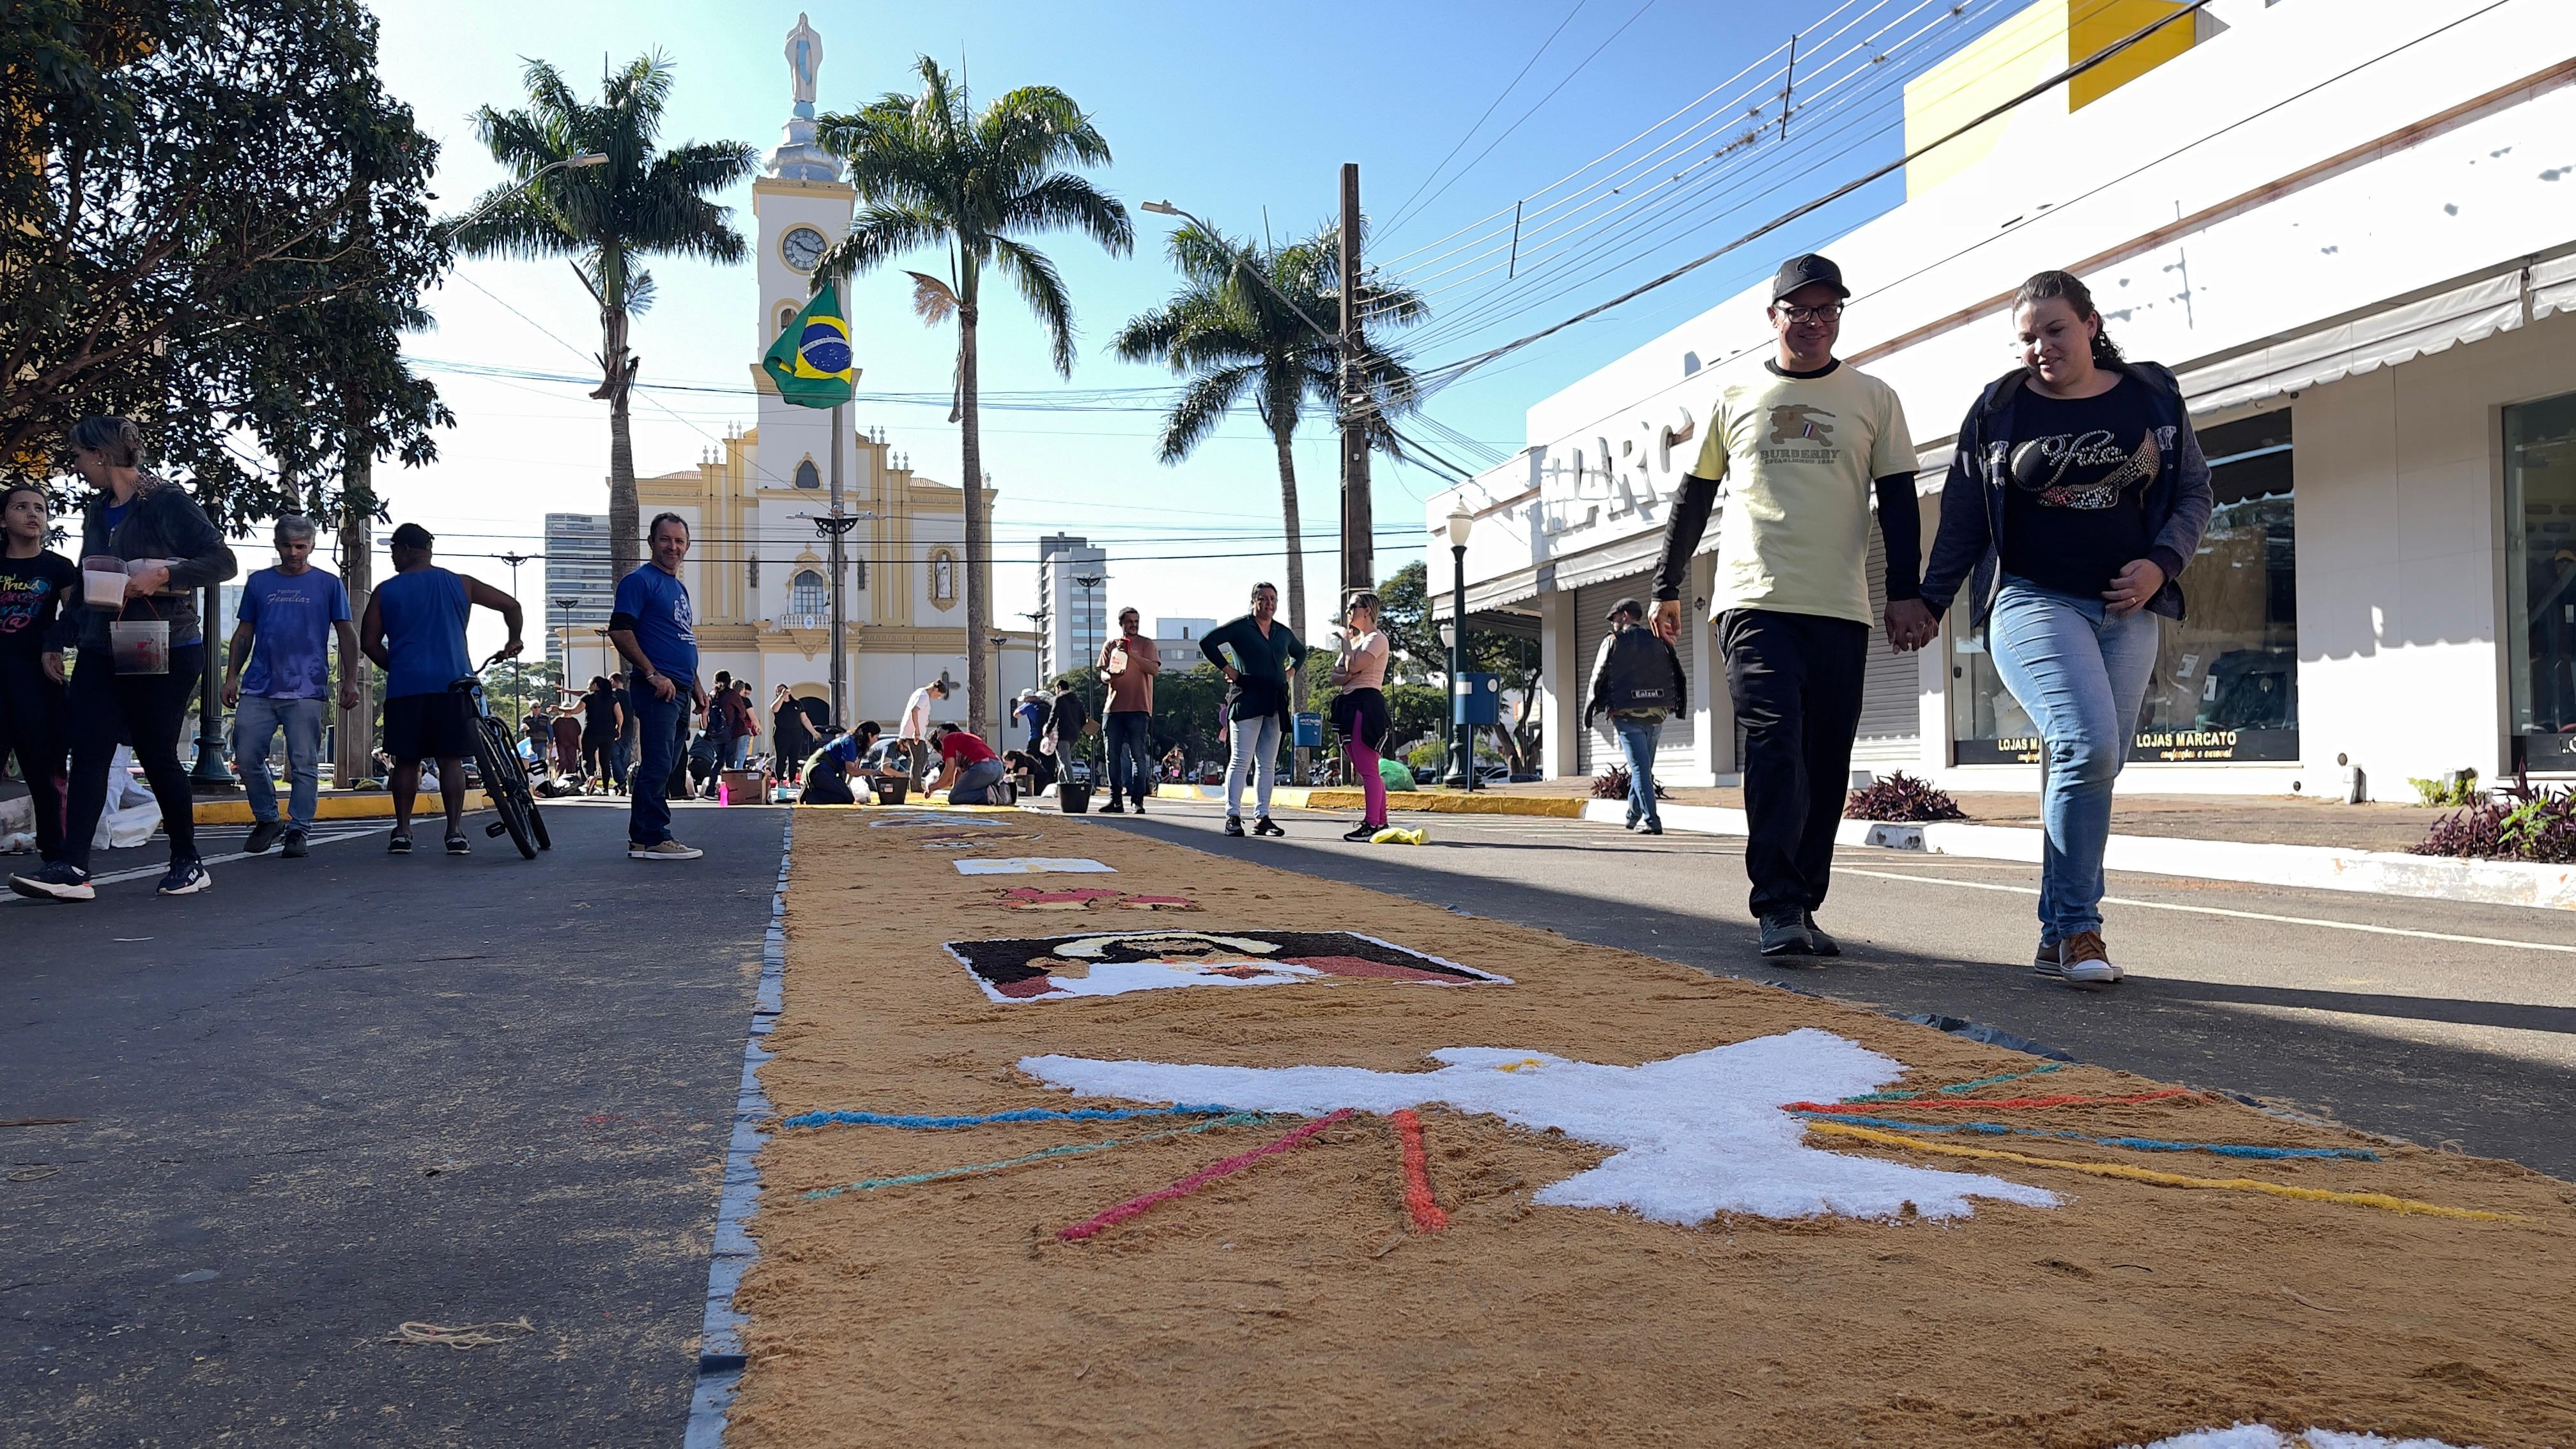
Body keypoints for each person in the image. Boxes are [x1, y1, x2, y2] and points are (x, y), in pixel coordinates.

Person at [1902, 268, 2212, 988]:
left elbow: (2194, 490)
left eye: (2055, 329)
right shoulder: (2000, 412)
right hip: (2032, 601)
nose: (2041, 347)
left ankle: (2053, 929)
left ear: (2091, 324)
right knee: (2086, 743)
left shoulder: (2151, 396)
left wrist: (2162, 565)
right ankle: (2080, 930)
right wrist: (1930, 601)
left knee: (2094, 762)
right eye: (2027, 338)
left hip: (2125, 611)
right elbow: (1964, 520)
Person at [1653, 254, 1924, 960]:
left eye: (1827, 309)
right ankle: (1775, 904)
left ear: (1840, 315)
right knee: (1776, 745)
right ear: (1773, 318)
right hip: (1753, 598)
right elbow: (1695, 498)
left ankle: (1803, 900)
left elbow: (1898, 500)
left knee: (1826, 760)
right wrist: (1665, 584)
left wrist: (1905, 592)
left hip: (1840, 606)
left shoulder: (1874, 397)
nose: (1813, 322)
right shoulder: (1735, 394)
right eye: (1798, 311)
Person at [11, 417, 237, 903]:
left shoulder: (167, 502)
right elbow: (90, 581)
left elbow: (223, 561)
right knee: (89, 750)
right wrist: (57, 638)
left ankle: (187, 860)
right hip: (101, 643)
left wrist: (162, 575)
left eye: (77, 456)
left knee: (156, 754)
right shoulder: (98, 512)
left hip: (164, 642)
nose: (74, 467)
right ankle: (73, 868)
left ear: (101, 455)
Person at [362, 522, 522, 857]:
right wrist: (513, 640)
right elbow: (512, 606)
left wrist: (400, 666)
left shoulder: (386, 591)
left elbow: (370, 643)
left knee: (406, 762)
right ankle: (455, 832)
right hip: (453, 685)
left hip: (406, 689)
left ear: (405, 550)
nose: (392, 557)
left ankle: (403, 832)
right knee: (450, 761)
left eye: (393, 551)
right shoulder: (461, 584)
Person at [222, 515, 360, 858]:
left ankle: (299, 829)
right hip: (259, 687)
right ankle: (268, 818)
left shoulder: (329, 585)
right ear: (277, 544)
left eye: (301, 546)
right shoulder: (259, 583)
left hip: (307, 688)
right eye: (287, 546)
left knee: (304, 763)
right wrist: (231, 676)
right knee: (246, 755)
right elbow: (244, 632)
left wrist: (351, 680)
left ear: (312, 545)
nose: (294, 552)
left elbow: (346, 632)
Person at [608, 512, 708, 861]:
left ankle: (644, 837)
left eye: (680, 541)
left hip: (680, 691)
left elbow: (682, 638)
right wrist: (651, 673)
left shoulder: (678, 587)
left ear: (687, 546)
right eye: (666, 540)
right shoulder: (640, 581)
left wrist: (696, 686)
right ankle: (653, 837)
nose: (673, 547)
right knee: (657, 763)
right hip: (657, 690)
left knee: (668, 763)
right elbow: (620, 630)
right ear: (651, 542)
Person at [0, 483, 75, 871]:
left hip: (38, 682)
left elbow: (76, 617)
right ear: (3, 517)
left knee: (45, 772)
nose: (33, 515)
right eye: (22, 507)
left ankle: (57, 855)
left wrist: (54, 644)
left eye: (41, 509)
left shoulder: (59, 568)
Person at [1200, 581, 1303, 838]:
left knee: (1267, 764)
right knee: (1241, 760)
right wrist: (1228, 669)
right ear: (1254, 600)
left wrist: (1291, 671)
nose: (1269, 604)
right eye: (1264, 599)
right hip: (1247, 697)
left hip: (1276, 699)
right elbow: (1207, 642)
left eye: (1273, 599)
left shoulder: (1282, 632)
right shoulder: (1241, 627)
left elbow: (1300, 652)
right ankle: (1233, 815)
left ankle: (1263, 816)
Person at [1584, 597, 1687, 836]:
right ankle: (1633, 815)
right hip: (1656, 714)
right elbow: (1678, 673)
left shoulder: (1613, 641)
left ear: (1625, 615)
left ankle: (1652, 820)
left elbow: (1597, 676)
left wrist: (1589, 711)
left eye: (1615, 617)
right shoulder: (1659, 639)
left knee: (1640, 768)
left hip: (1627, 715)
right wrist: (1677, 706)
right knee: (1642, 767)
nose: (1614, 622)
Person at [1326, 592, 1393, 842]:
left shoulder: (1377, 639)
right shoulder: (1356, 642)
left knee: (1367, 768)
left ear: (1367, 610)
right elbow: (1336, 676)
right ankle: (1381, 821)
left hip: (1367, 703)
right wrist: (1349, 668)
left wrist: (1346, 647)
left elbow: (1353, 667)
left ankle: (1372, 823)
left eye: (1353, 607)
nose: (1349, 611)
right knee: (1364, 766)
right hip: (1348, 702)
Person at [1096, 608, 1161, 815]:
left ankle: (1137, 800)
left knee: (1138, 757)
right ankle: (1115, 800)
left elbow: (1154, 670)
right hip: (1113, 709)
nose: (1134, 624)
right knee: (1111, 756)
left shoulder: (1147, 644)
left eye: (1136, 621)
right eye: (1130, 621)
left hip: (1139, 709)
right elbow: (1103, 675)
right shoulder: (1110, 645)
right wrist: (1112, 676)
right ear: (1121, 624)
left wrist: (1132, 655)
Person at [798, 719, 887, 806]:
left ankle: (815, 791)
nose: (877, 740)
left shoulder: (858, 746)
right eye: (876, 737)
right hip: (818, 768)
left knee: (845, 794)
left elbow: (854, 771)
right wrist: (872, 772)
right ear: (869, 735)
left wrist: (846, 786)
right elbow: (851, 770)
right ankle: (811, 796)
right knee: (847, 798)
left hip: (826, 769)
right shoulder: (850, 742)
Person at [927, 721, 1008, 804]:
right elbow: (956, 776)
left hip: (983, 768)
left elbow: (950, 769)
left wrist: (933, 787)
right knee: (959, 794)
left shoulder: (949, 738)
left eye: (939, 732)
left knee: (954, 798)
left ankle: (989, 796)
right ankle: (1002, 792)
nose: (938, 737)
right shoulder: (966, 739)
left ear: (949, 731)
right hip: (998, 768)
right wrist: (953, 791)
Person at [894, 677, 947, 786]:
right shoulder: (923, 696)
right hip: (914, 733)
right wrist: (917, 731)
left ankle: (916, 783)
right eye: (938, 696)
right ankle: (915, 786)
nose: (937, 698)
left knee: (923, 757)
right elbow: (915, 711)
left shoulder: (921, 693)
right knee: (918, 759)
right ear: (936, 690)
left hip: (918, 733)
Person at [1044, 677, 1092, 795]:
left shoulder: (1060, 699)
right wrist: (1077, 729)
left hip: (1063, 733)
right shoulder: (1077, 701)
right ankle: (1061, 785)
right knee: (1063, 759)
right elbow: (1083, 719)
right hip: (1074, 735)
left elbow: (1053, 715)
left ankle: (1071, 785)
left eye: (1056, 689)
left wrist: (1048, 730)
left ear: (1059, 688)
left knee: (1064, 760)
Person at [577, 675, 623, 793]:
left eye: (590, 684)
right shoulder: (612, 699)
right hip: (608, 733)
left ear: (595, 685)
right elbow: (619, 716)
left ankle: (590, 777)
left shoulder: (588, 698)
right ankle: (606, 788)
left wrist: (560, 709)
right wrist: (619, 729)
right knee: (605, 761)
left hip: (591, 732)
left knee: (587, 757)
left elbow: (575, 710)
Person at [771, 684, 815, 783]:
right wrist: (781, 697)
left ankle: (792, 780)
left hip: (796, 734)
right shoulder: (777, 703)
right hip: (781, 734)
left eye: (783, 690)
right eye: (779, 691)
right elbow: (774, 709)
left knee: (794, 759)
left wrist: (814, 732)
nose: (782, 692)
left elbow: (805, 719)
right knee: (781, 758)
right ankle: (781, 780)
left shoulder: (797, 703)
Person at [611, 670, 638, 794]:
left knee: (614, 757)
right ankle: (621, 782)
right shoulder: (631, 696)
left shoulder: (612, 695)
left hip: (615, 728)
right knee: (624, 756)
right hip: (629, 729)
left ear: (613, 681)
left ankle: (620, 782)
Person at [1015, 689, 1049, 755]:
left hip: (1035, 737)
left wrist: (1025, 704)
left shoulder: (1029, 706)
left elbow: (1016, 715)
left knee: (1029, 760)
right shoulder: (1045, 705)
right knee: (1045, 763)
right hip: (1046, 737)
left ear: (1027, 698)